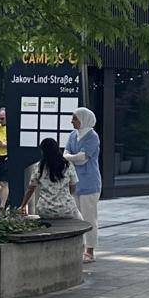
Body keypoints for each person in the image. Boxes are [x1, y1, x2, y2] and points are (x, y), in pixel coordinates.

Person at [65, 105, 102, 263]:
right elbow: (67, 153)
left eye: (75, 119)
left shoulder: (93, 137)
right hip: (74, 182)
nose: (72, 121)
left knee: (89, 217)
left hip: (89, 182)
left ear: (83, 120)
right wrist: (72, 157)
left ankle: (90, 250)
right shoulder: (73, 135)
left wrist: (70, 157)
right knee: (76, 217)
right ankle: (79, 248)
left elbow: (83, 158)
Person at [22, 138, 81, 227]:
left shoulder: (39, 167)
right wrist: (66, 196)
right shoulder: (67, 165)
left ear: (43, 151)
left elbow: (31, 189)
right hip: (66, 209)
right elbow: (73, 187)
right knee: (80, 220)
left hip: (44, 210)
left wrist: (23, 205)